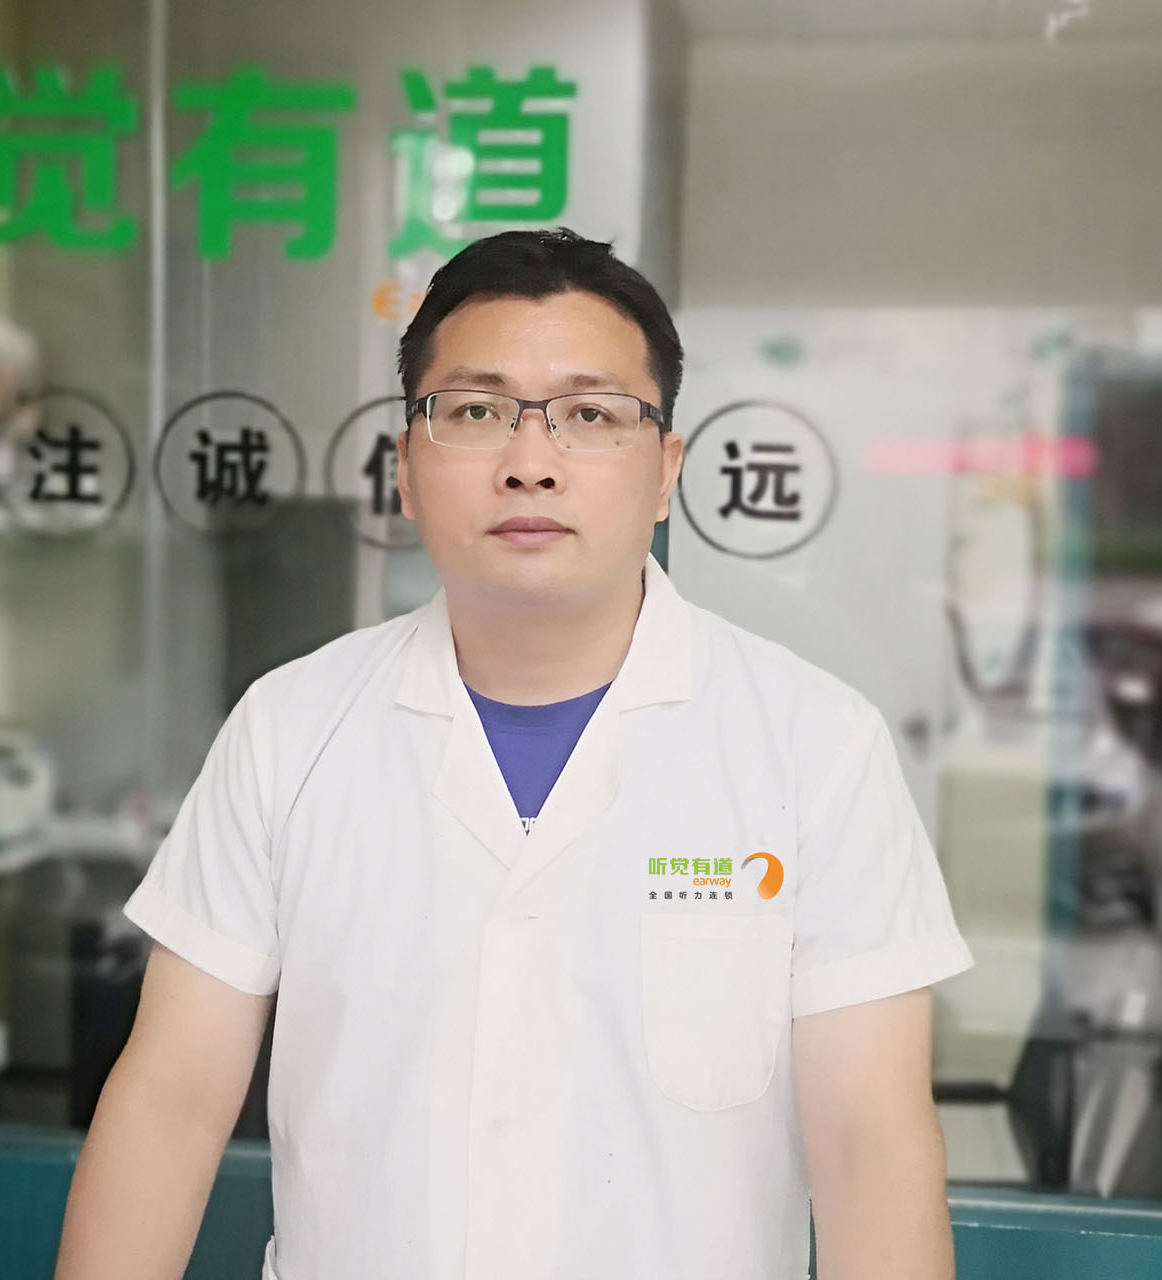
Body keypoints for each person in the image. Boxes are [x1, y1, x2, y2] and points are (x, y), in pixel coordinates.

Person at [55, 229, 973, 1280]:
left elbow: (870, 1150)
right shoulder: (289, 728)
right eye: (475, 411)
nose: (531, 461)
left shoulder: (814, 746)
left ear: (666, 470)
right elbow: (170, 1105)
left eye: (591, 415)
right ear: (406, 468)